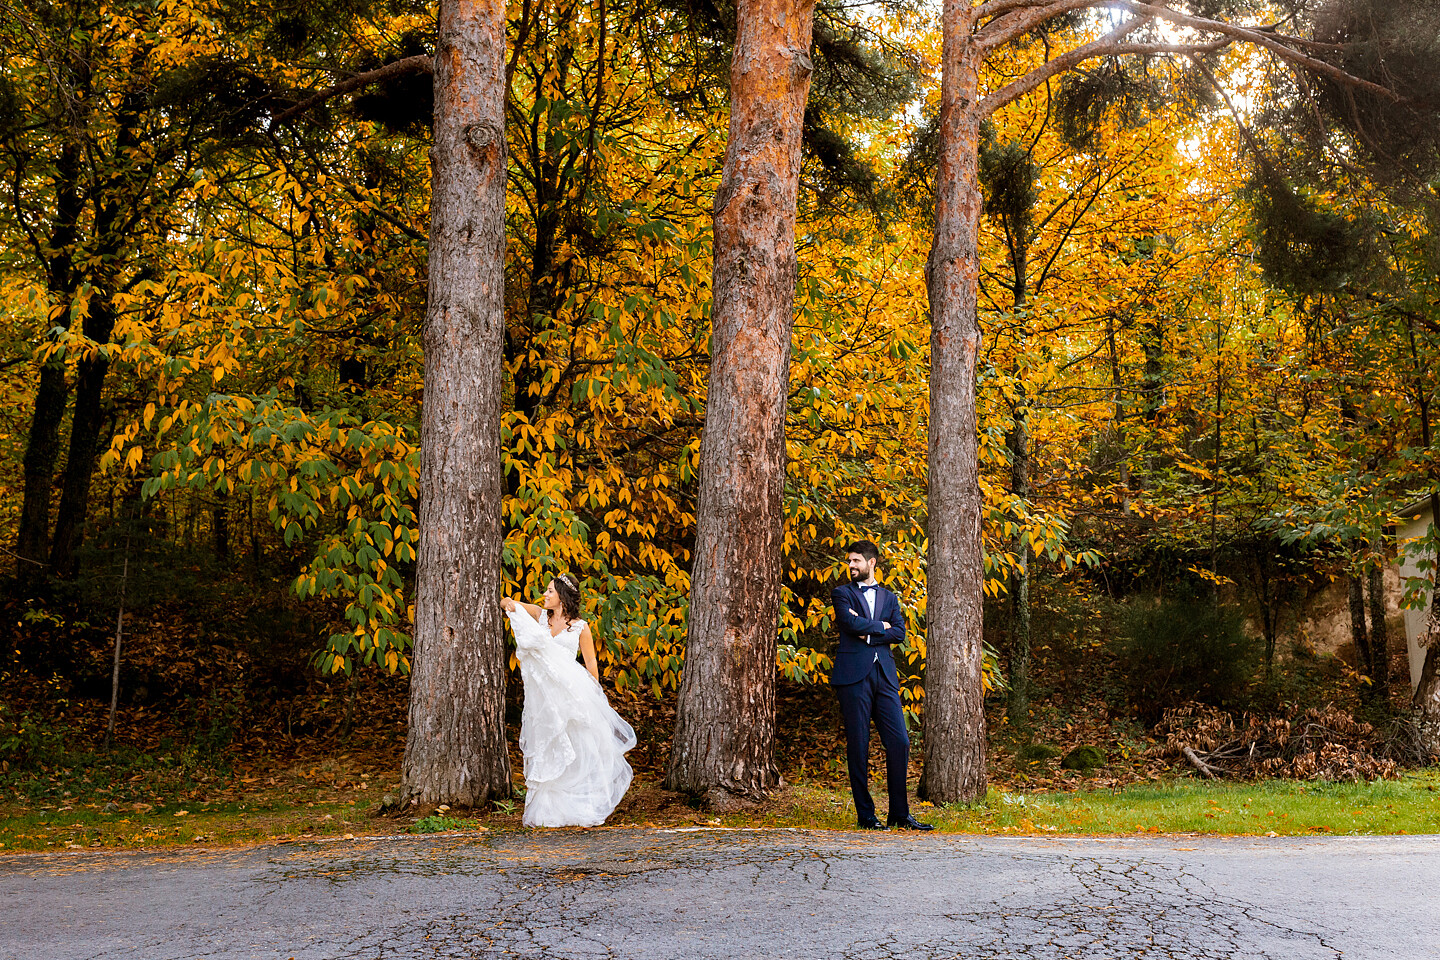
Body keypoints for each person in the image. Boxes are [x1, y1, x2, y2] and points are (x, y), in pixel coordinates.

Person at [501, 574, 636, 827]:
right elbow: (509, 603)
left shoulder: (580, 627)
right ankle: (549, 809)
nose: (545, 595)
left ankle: (580, 804)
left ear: (562, 596)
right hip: (544, 697)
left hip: (572, 693)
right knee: (548, 746)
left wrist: (594, 698)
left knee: (578, 746)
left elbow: (591, 664)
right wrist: (507, 603)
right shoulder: (540, 615)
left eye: (550, 591)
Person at [830, 540, 933, 831]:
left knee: (900, 742)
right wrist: (880, 628)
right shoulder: (842, 594)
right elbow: (847, 624)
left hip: (885, 676)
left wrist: (869, 630)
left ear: (871, 562)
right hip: (853, 677)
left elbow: (899, 632)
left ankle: (900, 814)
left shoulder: (889, 598)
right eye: (849, 561)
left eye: (856, 561)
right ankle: (866, 816)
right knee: (859, 745)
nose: (851, 566)